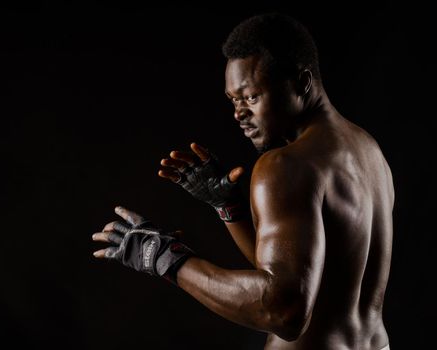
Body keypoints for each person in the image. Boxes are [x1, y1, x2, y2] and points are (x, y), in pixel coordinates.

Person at [92, 12, 393, 350]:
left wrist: (164, 257)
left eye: (251, 97)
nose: (238, 113)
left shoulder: (285, 165)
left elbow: (284, 312)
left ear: (302, 83)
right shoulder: (368, 150)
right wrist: (229, 208)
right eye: (233, 100)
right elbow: (300, 279)